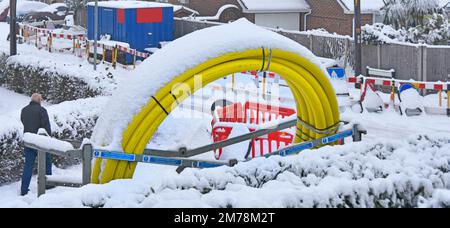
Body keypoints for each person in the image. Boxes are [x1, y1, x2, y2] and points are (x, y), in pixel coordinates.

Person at [20, 93, 52, 196]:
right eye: (41, 100)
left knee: (28, 165)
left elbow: (24, 122)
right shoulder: (42, 111)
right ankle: (48, 183)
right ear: (39, 100)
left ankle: (24, 190)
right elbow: (46, 126)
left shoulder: (24, 110)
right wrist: (49, 139)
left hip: (29, 141)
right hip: (40, 141)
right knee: (47, 162)